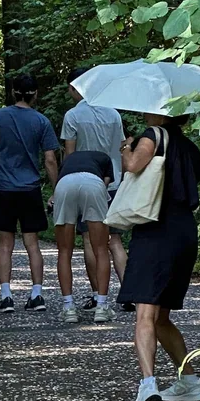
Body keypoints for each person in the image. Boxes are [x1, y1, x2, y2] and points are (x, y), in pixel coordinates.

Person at [118, 113, 200, 401]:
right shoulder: (188, 146)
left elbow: (133, 166)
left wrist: (126, 148)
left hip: (156, 229)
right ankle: (190, 381)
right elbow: (195, 175)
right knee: (160, 318)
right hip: (185, 230)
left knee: (145, 313)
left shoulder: (153, 135)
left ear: (161, 112)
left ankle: (147, 386)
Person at [0, 72, 59, 311]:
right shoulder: (41, 121)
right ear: (35, 94)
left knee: (5, 244)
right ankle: (36, 295)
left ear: (13, 92)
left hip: (4, 188)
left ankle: (6, 296)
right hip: (30, 189)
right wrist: (57, 189)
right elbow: (49, 159)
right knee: (32, 244)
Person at [61, 69, 129, 305]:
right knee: (115, 241)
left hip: (86, 182)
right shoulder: (113, 113)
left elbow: (69, 154)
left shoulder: (72, 116)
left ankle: (98, 295)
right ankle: (128, 292)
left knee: (90, 239)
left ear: (75, 87)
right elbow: (122, 147)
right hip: (114, 182)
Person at [51, 148, 115, 324]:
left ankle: (68, 307)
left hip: (64, 184)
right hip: (93, 184)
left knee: (64, 251)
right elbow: (106, 183)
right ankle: (101, 306)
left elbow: (60, 176)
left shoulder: (69, 159)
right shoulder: (105, 158)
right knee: (101, 249)